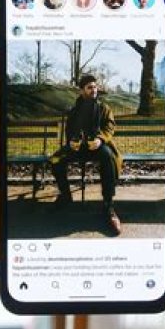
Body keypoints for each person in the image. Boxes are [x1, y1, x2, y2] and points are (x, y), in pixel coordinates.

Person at [49, 75, 123, 235]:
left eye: (95, 87)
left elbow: (110, 127)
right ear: (82, 90)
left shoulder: (104, 108)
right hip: (79, 148)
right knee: (56, 160)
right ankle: (65, 195)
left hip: (98, 146)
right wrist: (71, 142)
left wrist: (100, 140)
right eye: (90, 87)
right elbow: (70, 130)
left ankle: (108, 205)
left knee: (108, 157)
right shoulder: (75, 110)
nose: (94, 90)